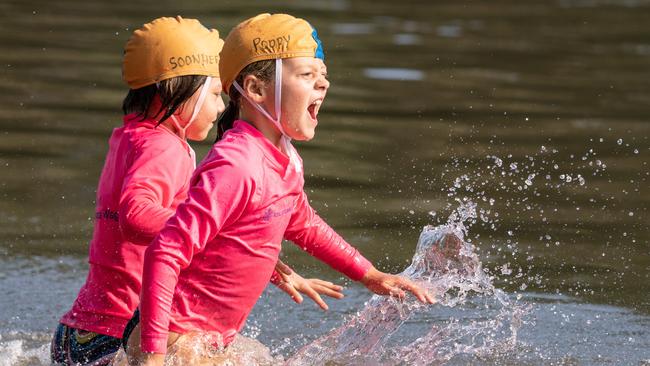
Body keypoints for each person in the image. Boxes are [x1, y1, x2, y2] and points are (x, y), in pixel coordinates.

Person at [123, 13, 435, 365]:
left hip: (209, 343)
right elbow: (165, 251)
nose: (323, 85)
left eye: (324, 76)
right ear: (255, 89)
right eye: (307, 75)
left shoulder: (284, 158)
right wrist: (153, 356)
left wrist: (370, 274)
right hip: (176, 342)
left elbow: (302, 222)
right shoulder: (236, 164)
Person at [51, 16, 339, 366]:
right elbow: (136, 216)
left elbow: (197, 234)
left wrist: (263, 260)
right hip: (120, 335)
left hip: (80, 333)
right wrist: (223, 232)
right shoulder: (165, 148)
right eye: (216, 94)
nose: (221, 108)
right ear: (180, 89)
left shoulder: (129, 138)